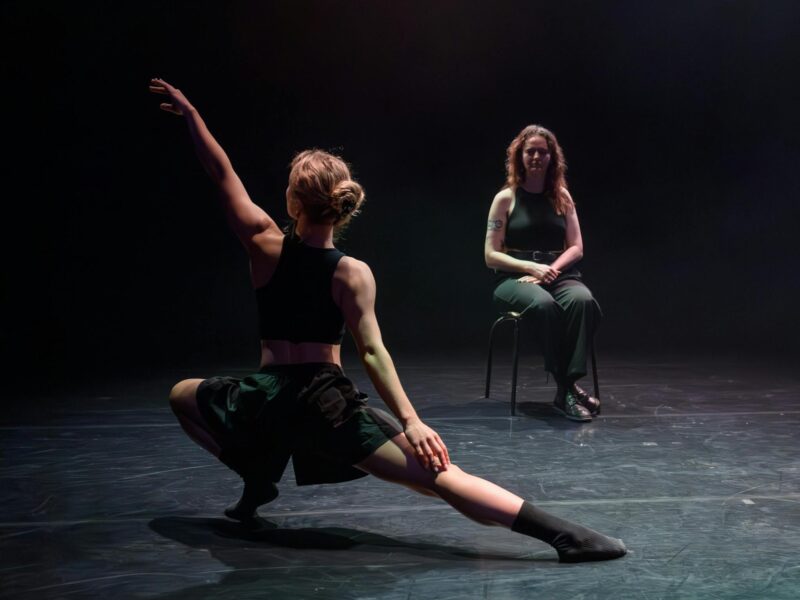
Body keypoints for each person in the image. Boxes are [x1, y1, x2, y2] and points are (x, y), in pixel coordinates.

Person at [151, 79, 626, 562]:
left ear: (294, 202)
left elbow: (220, 170)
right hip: (323, 403)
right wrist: (412, 422)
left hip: (266, 399)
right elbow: (373, 352)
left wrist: (192, 117)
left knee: (183, 395)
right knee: (437, 480)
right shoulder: (352, 272)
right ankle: (564, 535)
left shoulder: (263, 244)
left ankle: (255, 471)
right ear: (340, 206)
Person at [485, 125, 603, 422]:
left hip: (558, 273)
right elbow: (490, 255)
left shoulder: (561, 196)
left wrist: (548, 271)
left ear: (552, 157)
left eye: (542, 151)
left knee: (582, 301)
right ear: (519, 156)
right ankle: (567, 389)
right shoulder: (506, 198)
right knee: (543, 305)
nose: (536, 156)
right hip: (513, 278)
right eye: (530, 151)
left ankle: (565, 388)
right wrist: (530, 268)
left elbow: (576, 246)